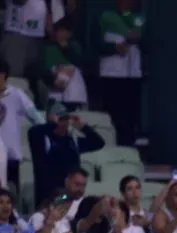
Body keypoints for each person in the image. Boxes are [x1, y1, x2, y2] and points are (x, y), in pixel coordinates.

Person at [28, 103, 104, 206]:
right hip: (49, 197)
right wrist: (52, 123)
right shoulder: (43, 140)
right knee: (56, 208)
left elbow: (98, 143)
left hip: (69, 195)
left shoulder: (73, 141)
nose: (65, 122)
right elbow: (32, 132)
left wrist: (83, 127)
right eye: (61, 118)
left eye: (66, 118)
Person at [97, 0, 146, 146]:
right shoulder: (106, 16)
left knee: (131, 116)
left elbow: (150, 44)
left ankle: (128, 146)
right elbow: (95, 45)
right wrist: (114, 48)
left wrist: (138, 39)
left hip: (133, 75)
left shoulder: (140, 18)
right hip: (111, 74)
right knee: (112, 114)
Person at [0, 61, 45, 193]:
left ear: (4, 75)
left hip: (11, 155)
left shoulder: (16, 94)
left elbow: (37, 118)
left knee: (10, 196)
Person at [41, 17, 88, 110]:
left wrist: (66, 49)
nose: (60, 34)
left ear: (70, 33)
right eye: (58, 31)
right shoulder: (49, 48)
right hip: (55, 95)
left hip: (74, 96)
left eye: (63, 31)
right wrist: (53, 80)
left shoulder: (75, 47)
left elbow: (78, 63)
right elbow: (44, 70)